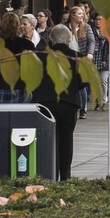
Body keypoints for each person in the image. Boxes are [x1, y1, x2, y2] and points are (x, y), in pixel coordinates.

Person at [31, 25, 85, 180]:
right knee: (66, 139)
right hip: (68, 104)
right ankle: (65, 174)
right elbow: (83, 83)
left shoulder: (39, 56)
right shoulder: (78, 57)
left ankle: (45, 172)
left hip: (44, 103)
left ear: (51, 40)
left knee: (44, 138)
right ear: (69, 39)